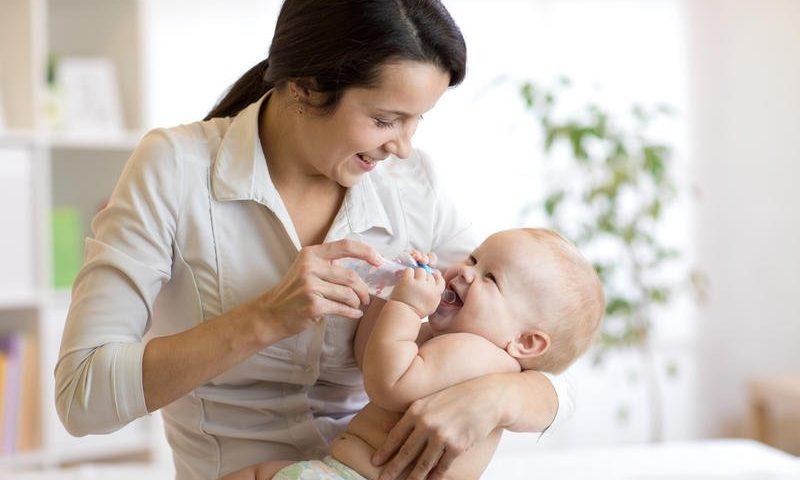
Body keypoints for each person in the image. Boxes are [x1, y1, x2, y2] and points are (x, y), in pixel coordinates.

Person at [54, 2, 575, 479]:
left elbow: (543, 325)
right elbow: (81, 398)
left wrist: (499, 398)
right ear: (304, 86)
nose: (402, 146)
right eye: (384, 120)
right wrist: (263, 318)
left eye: (417, 121)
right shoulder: (175, 168)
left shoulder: (414, 187)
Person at [224, 228, 603, 480]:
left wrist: (406, 306)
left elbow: (389, 383)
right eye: (473, 259)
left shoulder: (477, 354)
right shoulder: (460, 344)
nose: (467, 272)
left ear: (527, 343)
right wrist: (394, 288)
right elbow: (377, 348)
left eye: (491, 278)